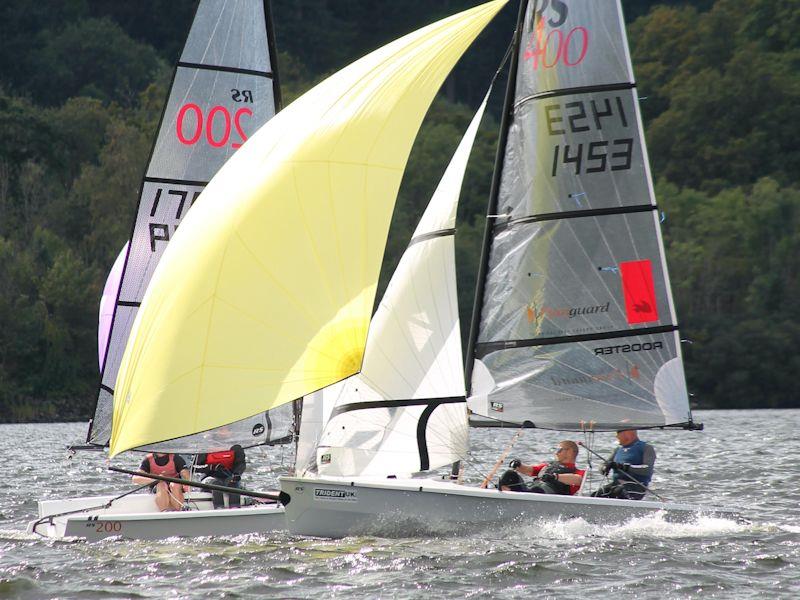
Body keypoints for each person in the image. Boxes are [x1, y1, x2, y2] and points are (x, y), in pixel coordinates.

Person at [500, 440, 585, 495]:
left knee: (536, 490)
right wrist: (518, 465)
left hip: (547, 496)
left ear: (570, 452)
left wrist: (555, 477)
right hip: (531, 490)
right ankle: (502, 496)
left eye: (559, 450)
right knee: (509, 474)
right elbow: (530, 470)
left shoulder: (578, 472)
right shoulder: (548, 466)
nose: (556, 453)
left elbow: (578, 480)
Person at [591, 429, 656, 500]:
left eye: (618, 433)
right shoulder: (618, 450)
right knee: (595, 495)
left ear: (628, 433)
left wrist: (624, 467)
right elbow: (604, 464)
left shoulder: (646, 448)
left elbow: (647, 469)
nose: (616, 436)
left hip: (636, 486)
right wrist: (604, 468)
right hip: (617, 485)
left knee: (619, 491)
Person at [195, 444, 246, 509]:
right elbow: (194, 467)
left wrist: (237, 474)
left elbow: (241, 464)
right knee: (217, 485)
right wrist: (211, 467)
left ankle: (235, 508)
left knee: (233, 483)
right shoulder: (205, 447)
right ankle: (219, 509)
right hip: (209, 477)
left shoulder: (236, 448)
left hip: (228, 476)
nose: (224, 433)